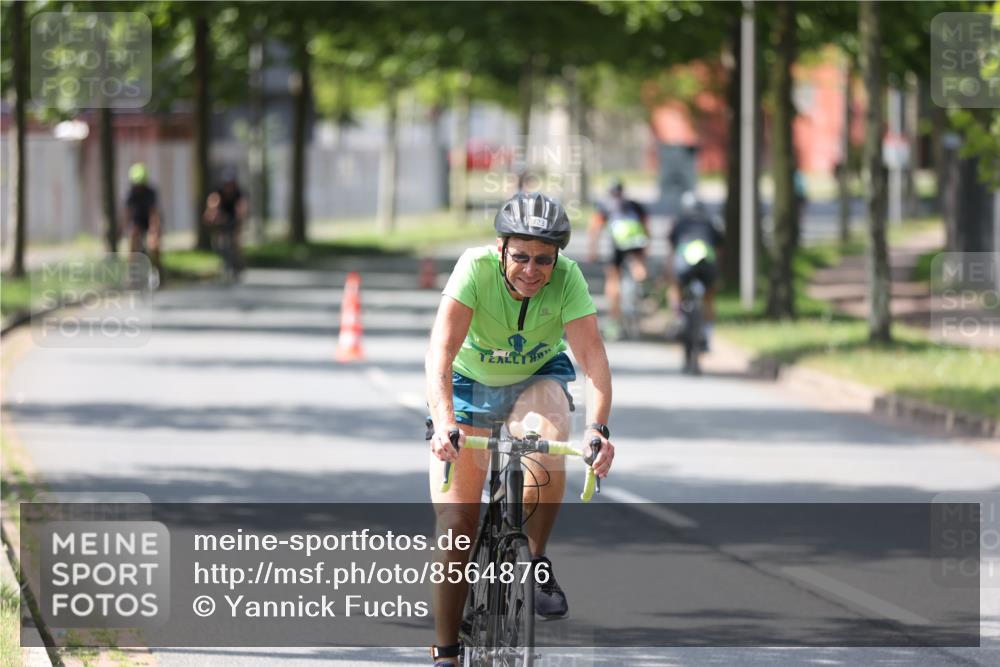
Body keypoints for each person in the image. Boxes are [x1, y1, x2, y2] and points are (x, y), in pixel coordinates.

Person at [426, 192, 615, 666]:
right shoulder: (473, 269)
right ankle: (446, 651)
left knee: (544, 451)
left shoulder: (568, 279)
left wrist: (598, 430)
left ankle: (535, 560)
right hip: (468, 386)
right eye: (521, 257)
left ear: (557, 259)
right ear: (501, 249)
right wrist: (445, 421)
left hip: (536, 378)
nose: (532, 270)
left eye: (544, 259)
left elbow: (593, 357)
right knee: (457, 529)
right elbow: (440, 353)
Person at [588, 180, 650, 339]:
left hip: (617, 245)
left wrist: (593, 251)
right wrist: (645, 251)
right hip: (636, 242)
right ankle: (642, 290)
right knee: (638, 266)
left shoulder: (605, 205)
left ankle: (614, 320)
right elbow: (646, 226)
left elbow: (595, 229)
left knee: (613, 278)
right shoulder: (634, 205)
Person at [667, 191, 724, 350]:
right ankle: (708, 332)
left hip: (685, 263)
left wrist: (669, 272)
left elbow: (673, 250)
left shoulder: (680, 222)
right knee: (709, 297)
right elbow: (719, 249)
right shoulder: (710, 222)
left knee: (675, 286)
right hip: (707, 263)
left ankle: (678, 317)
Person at [203, 170, 247, 276]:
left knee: (235, 242)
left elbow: (241, 208)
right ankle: (225, 263)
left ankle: (238, 262)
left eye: (230, 184)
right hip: (222, 219)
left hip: (234, 219)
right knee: (220, 243)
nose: (228, 187)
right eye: (226, 185)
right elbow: (212, 206)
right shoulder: (218, 193)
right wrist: (211, 216)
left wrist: (240, 220)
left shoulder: (238, 193)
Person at [123, 163, 162, 277]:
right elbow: (127, 214)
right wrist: (123, 228)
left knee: (153, 245)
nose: (138, 187)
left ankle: (156, 269)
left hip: (149, 221)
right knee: (132, 240)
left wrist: (154, 230)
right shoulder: (130, 194)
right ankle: (131, 272)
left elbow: (153, 214)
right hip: (137, 223)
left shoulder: (151, 193)